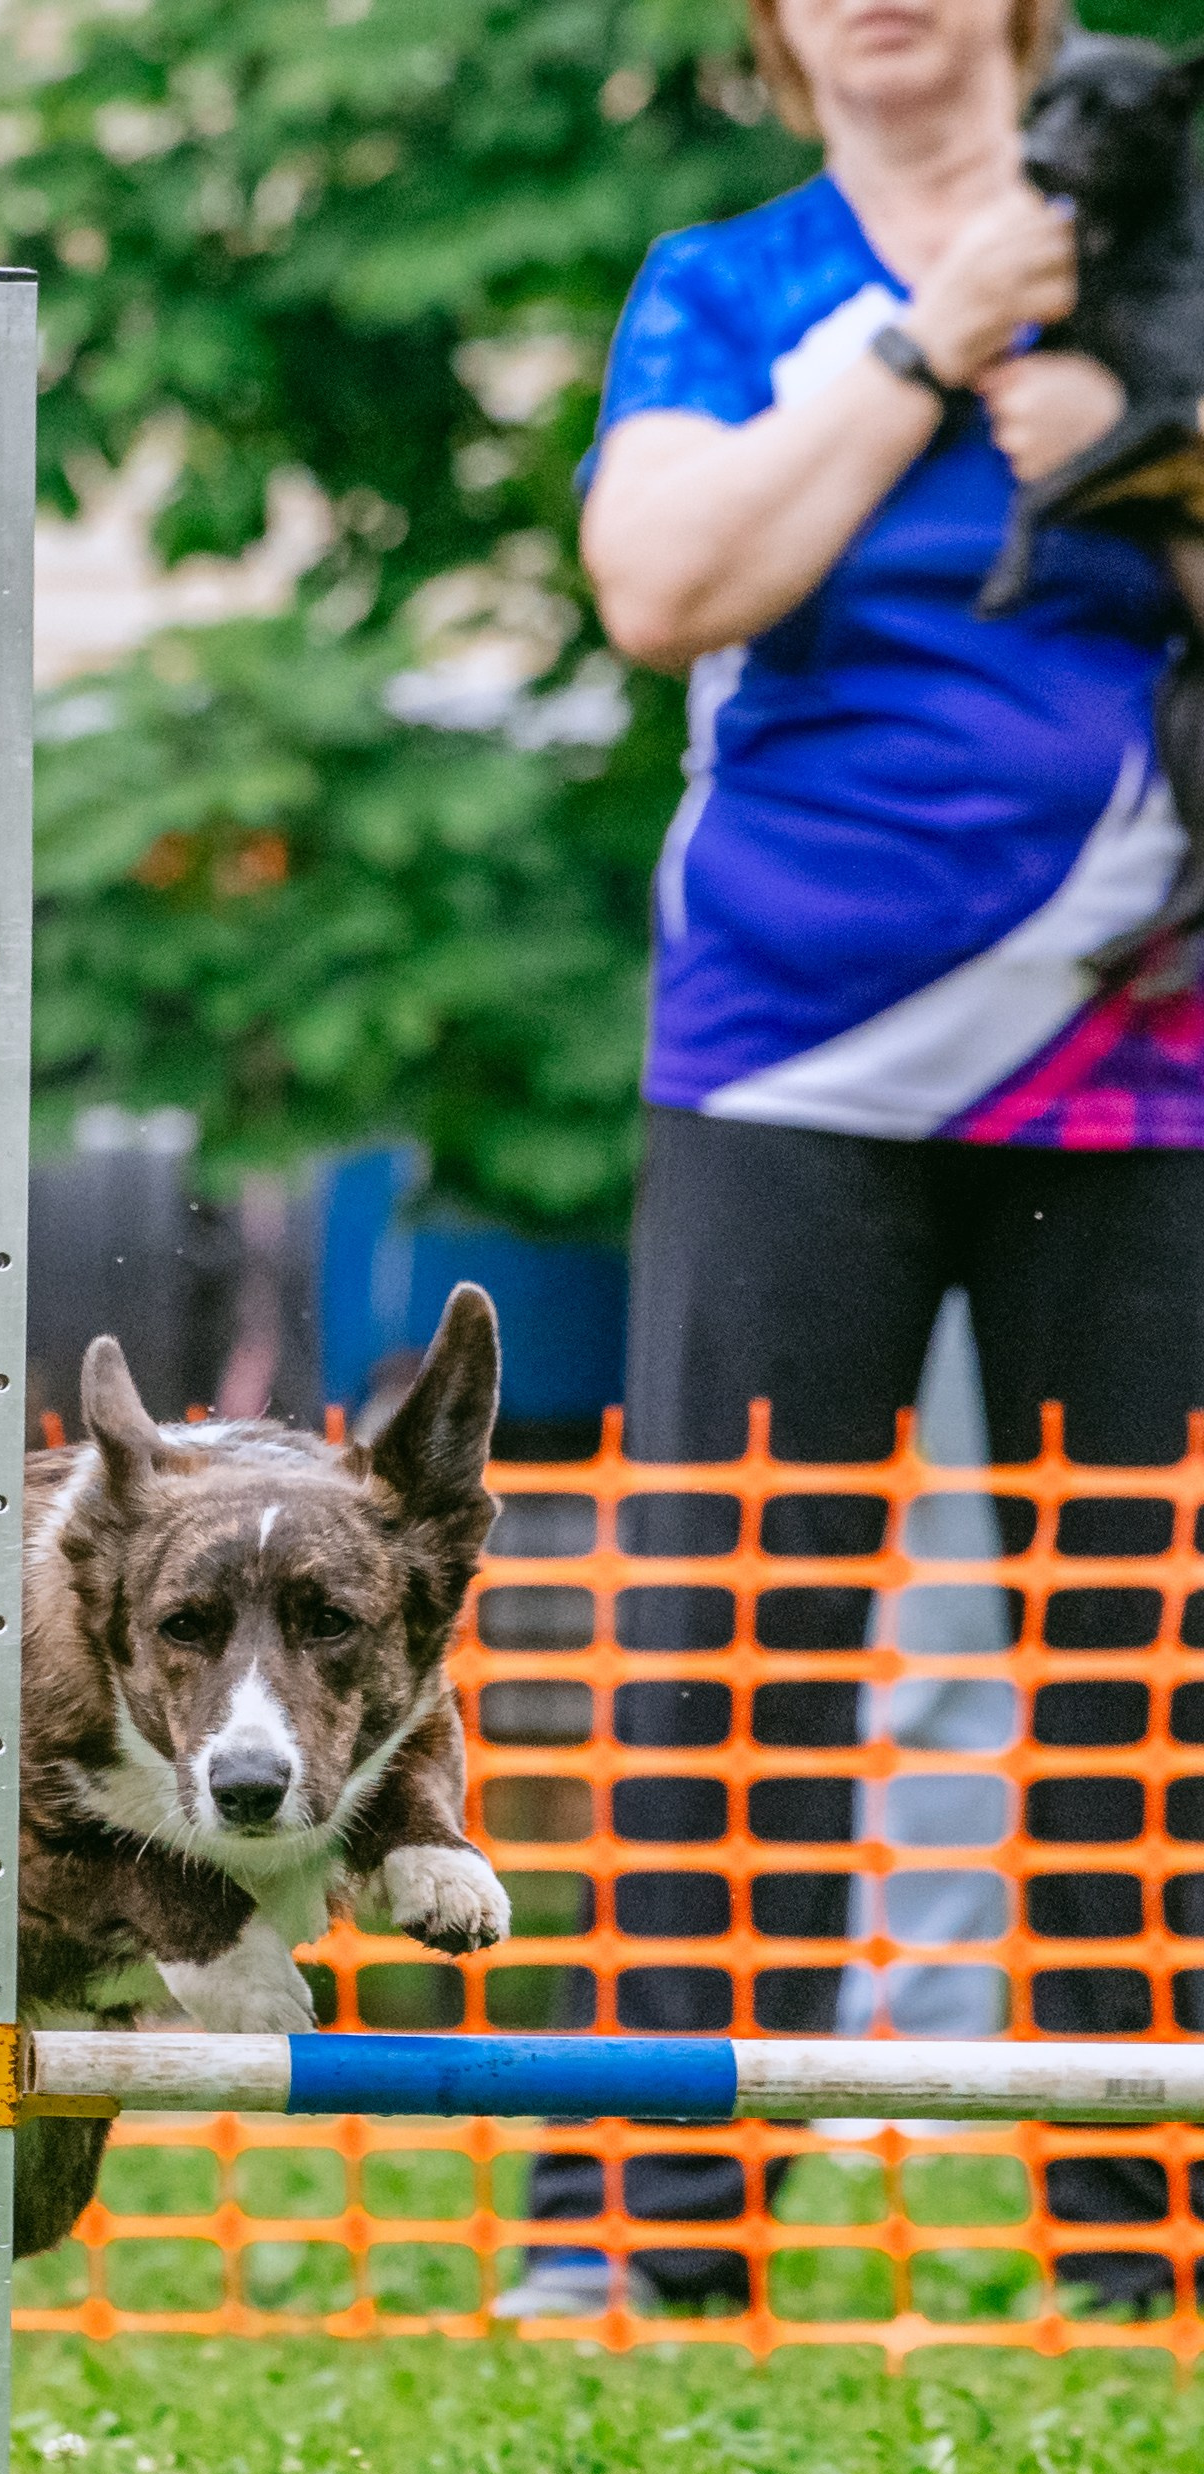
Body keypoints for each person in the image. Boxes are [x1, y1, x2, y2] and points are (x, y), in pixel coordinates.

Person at [501, 0, 1204, 2322]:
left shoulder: (1174, 238)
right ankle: (643, 2234)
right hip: (783, 1063)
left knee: (1149, 1660)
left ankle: (1148, 2238)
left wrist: (1144, 460)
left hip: (1142, 1064)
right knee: (720, 1647)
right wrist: (932, 341)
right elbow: (660, 585)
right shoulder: (727, 282)